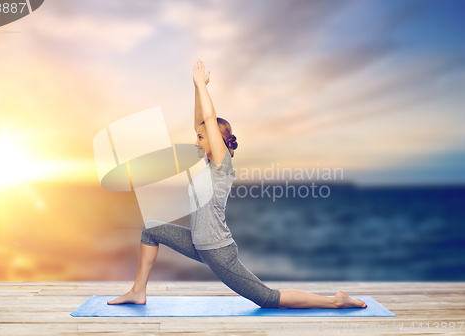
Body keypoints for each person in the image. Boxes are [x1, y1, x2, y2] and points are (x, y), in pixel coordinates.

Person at [107, 59, 367, 309]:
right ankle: (138, 292)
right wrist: (197, 89)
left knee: (267, 298)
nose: (196, 141)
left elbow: (209, 121)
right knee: (150, 229)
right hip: (198, 244)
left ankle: (335, 300)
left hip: (218, 251)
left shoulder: (222, 167)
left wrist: (203, 87)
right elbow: (202, 121)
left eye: (201, 137)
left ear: (215, 140)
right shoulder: (209, 164)